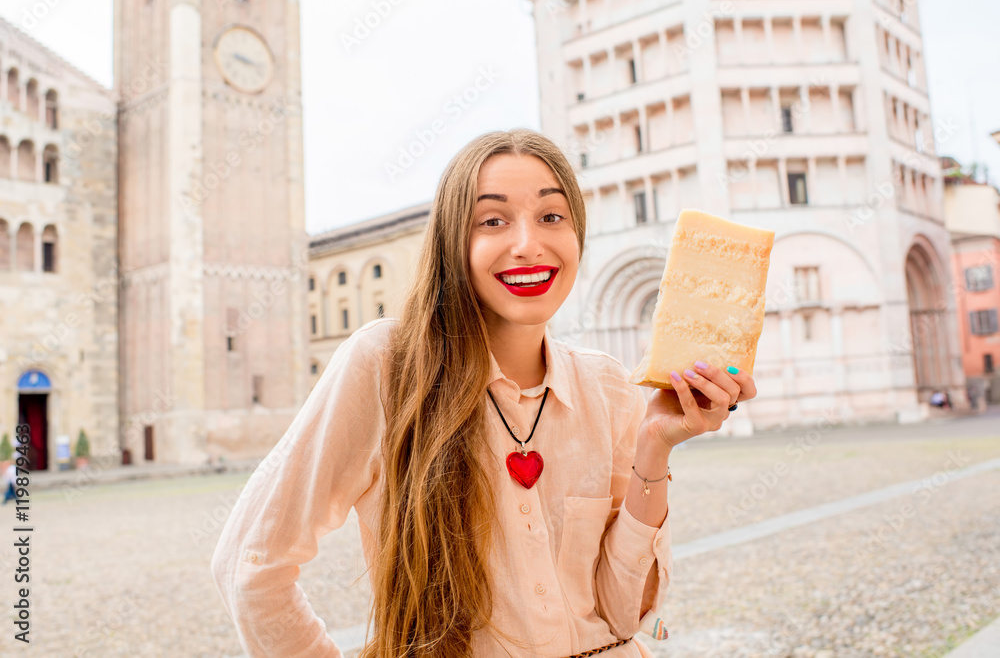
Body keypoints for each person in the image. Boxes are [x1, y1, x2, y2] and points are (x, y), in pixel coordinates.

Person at [210, 129, 757, 657]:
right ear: (453, 241)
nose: (528, 244)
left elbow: (622, 615)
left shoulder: (608, 385)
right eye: (492, 220)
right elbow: (250, 564)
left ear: (577, 236)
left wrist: (654, 445)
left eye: (551, 216)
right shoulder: (386, 364)